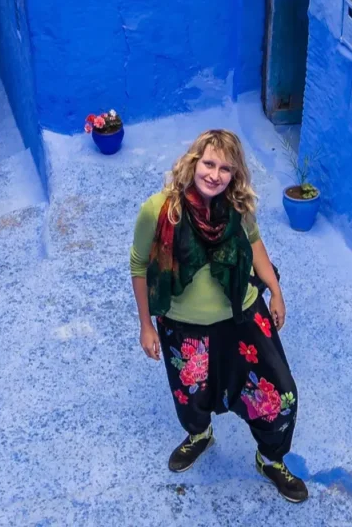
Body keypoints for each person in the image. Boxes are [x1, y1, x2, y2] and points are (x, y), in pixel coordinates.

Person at [129, 129, 307, 503]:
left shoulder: (238, 206)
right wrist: (146, 325)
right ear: (193, 163)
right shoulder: (159, 209)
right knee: (190, 394)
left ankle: (270, 459)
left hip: (242, 315)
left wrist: (276, 291)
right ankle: (199, 435)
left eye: (225, 168)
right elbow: (139, 265)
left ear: (235, 174)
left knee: (280, 393)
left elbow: (256, 245)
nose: (215, 174)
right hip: (182, 325)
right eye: (209, 163)